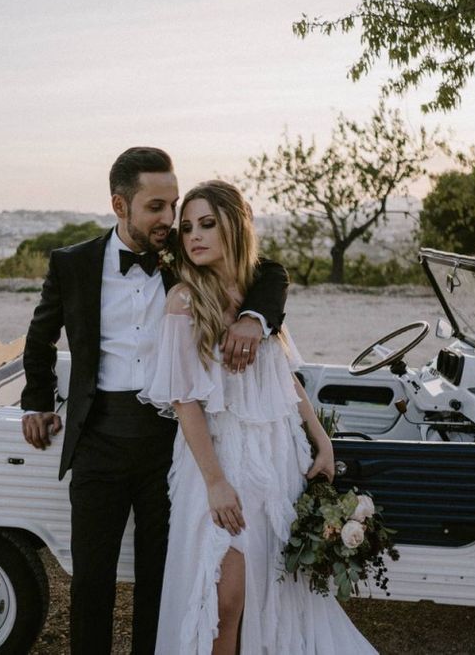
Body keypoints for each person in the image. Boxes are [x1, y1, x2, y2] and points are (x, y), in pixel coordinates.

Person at [19, 148, 289, 655]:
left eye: (173, 205)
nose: (169, 219)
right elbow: (39, 338)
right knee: (91, 577)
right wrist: (36, 403)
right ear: (120, 205)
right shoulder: (72, 264)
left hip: (169, 443)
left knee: (162, 578)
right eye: (156, 207)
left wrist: (255, 317)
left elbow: (267, 270)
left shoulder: (185, 257)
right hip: (97, 436)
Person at [139, 180, 377, 654]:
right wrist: (215, 482)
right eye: (188, 228)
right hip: (217, 459)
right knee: (223, 600)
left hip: (273, 456)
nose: (194, 236)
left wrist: (321, 440)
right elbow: (185, 402)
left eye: (207, 224)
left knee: (272, 590)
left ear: (235, 225)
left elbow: (283, 378)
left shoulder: (259, 301)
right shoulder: (185, 301)